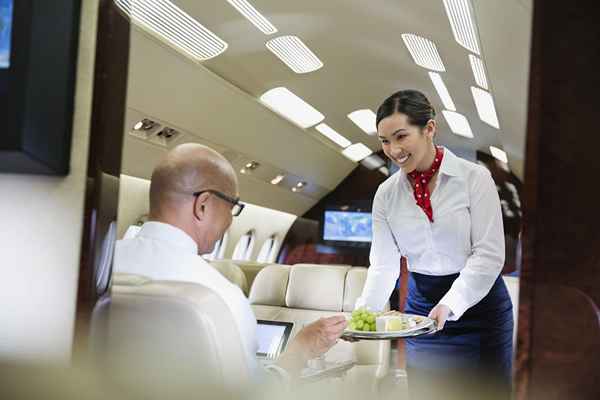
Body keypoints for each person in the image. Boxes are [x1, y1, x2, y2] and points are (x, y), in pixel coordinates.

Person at [114, 143, 347, 383]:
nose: (229, 222)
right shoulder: (218, 298)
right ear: (202, 205)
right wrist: (300, 351)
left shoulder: (95, 267)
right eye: (232, 207)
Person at [354, 90, 513, 398]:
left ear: (429, 129)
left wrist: (451, 304)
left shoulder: (474, 178)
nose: (393, 150)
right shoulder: (386, 195)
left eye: (401, 136)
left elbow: (489, 254)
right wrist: (365, 316)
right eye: (385, 141)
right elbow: (384, 264)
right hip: (421, 312)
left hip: (480, 310)